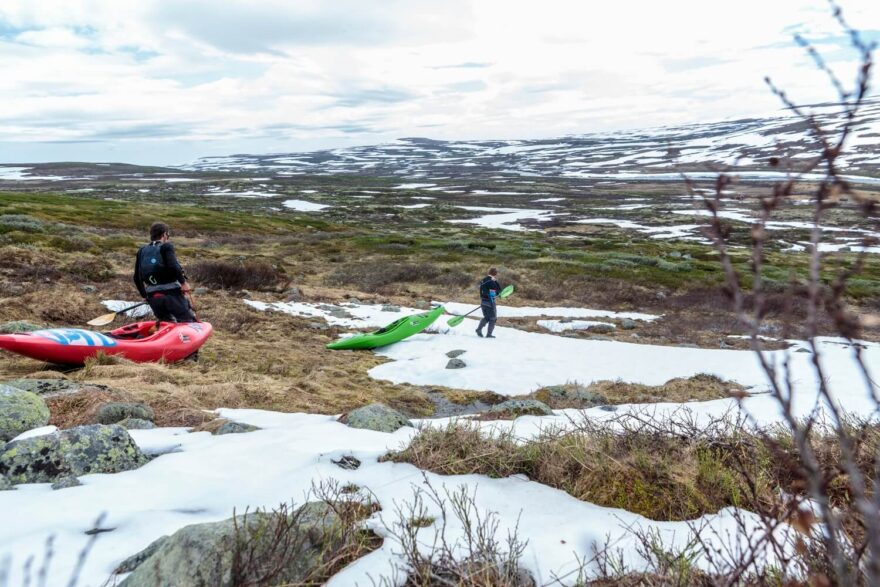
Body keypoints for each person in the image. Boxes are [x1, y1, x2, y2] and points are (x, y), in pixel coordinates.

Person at [134, 222, 197, 323]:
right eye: (168, 234)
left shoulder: (141, 251)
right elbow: (173, 266)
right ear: (164, 235)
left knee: (166, 323)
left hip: (153, 297)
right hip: (171, 295)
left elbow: (137, 277)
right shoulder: (166, 247)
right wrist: (183, 283)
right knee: (188, 321)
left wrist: (145, 295)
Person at [476, 267, 502, 338]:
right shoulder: (492, 281)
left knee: (487, 317)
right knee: (493, 318)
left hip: (483, 301)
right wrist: (495, 281)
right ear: (495, 273)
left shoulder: (483, 280)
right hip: (490, 302)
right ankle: (489, 334)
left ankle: (479, 329)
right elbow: (499, 290)